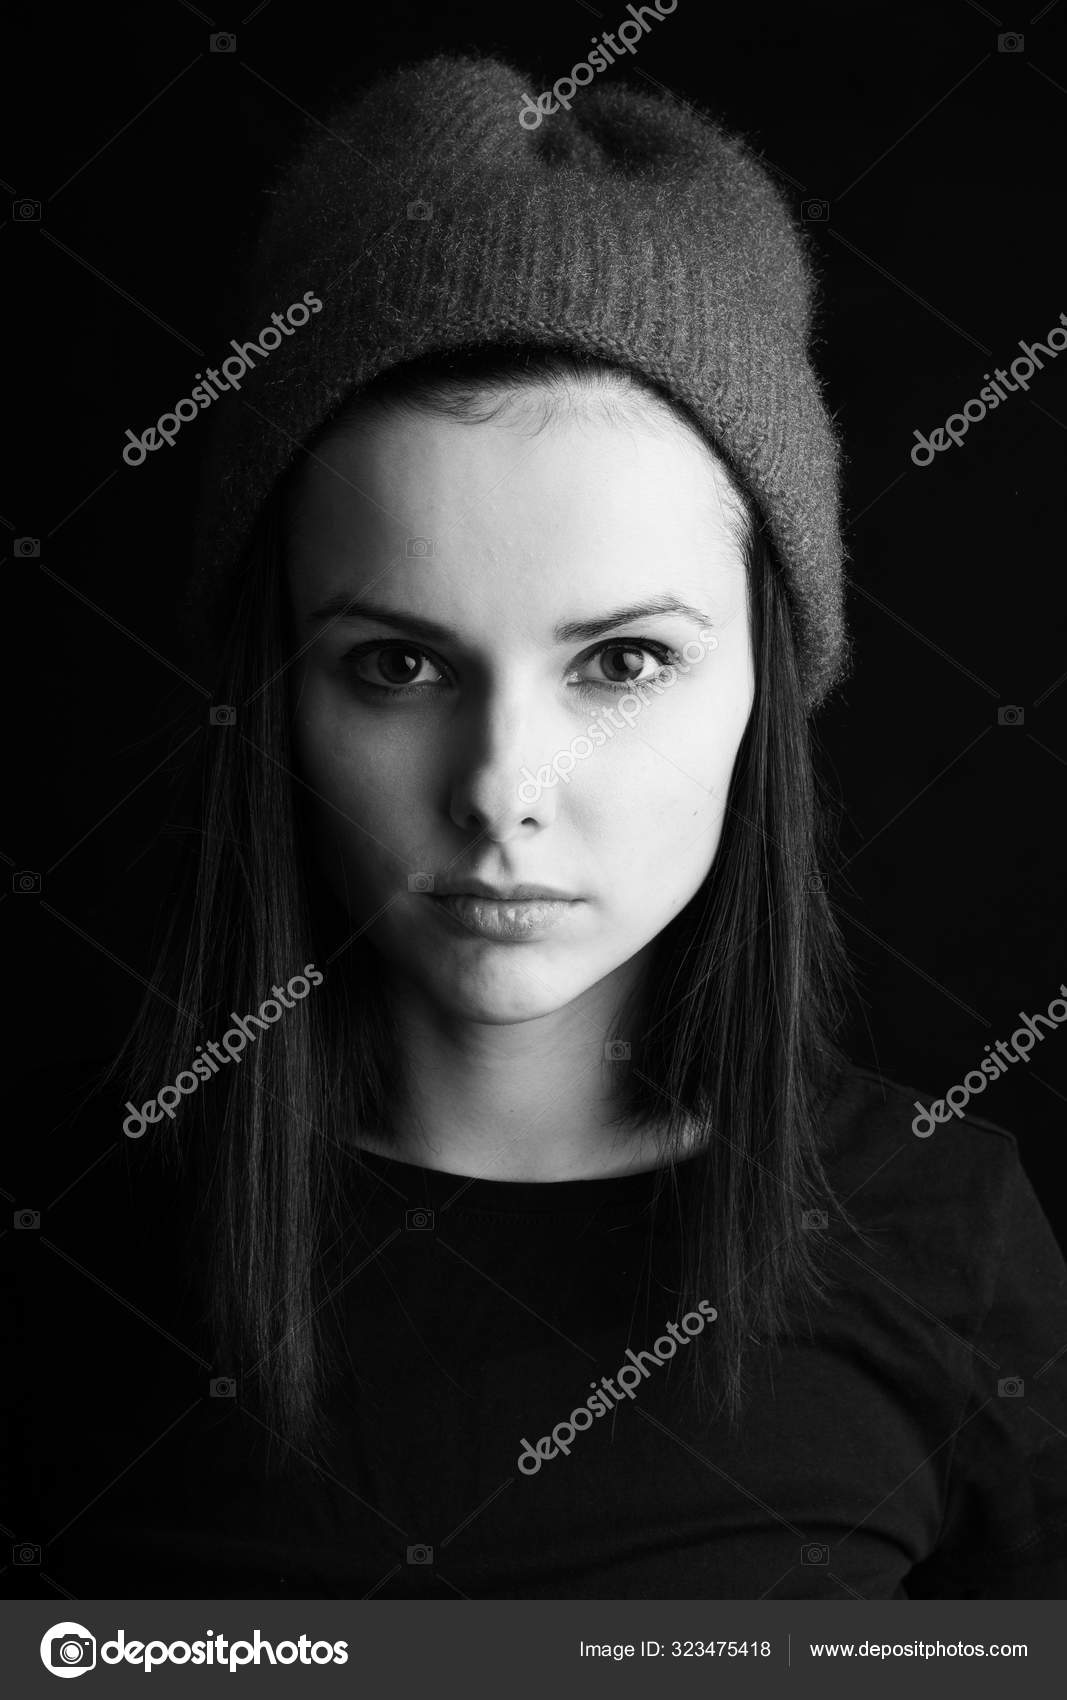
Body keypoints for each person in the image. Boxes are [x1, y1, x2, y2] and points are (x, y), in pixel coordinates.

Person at [12, 51, 1067, 1601]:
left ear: (765, 687)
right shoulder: (64, 1257)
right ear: (277, 686)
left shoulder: (946, 1247)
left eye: (623, 660)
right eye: (398, 664)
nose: (502, 787)